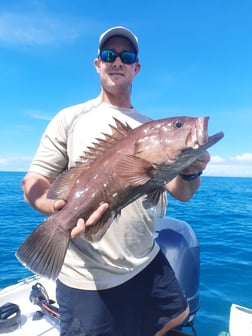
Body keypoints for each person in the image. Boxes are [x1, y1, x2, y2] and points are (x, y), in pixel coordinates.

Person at [22, 26, 210, 336]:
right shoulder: (69, 118)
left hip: (145, 259)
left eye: (127, 56)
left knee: (177, 317)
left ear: (137, 67)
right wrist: (56, 208)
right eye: (109, 55)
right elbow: (35, 180)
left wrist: (191, 168)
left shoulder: (150, 128)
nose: (117, 61)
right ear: (98, 64)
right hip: (89, 277)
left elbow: (182, 193)